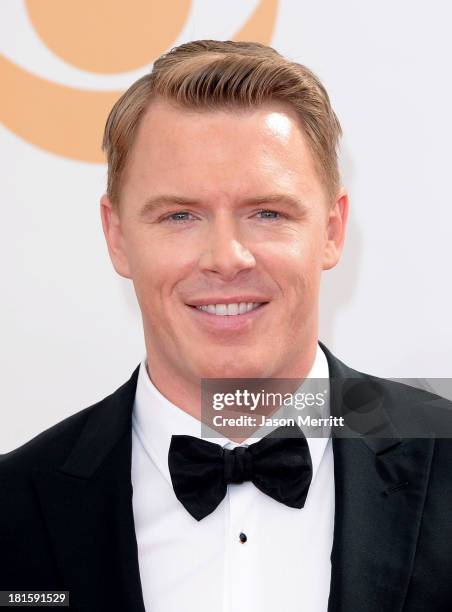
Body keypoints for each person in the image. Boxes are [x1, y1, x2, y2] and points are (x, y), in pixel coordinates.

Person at [1, 40, 451, 612]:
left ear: (333, 230)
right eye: (179, 215)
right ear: (116, 236)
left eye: (267, 212)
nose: (225, 256)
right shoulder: (13, 508)